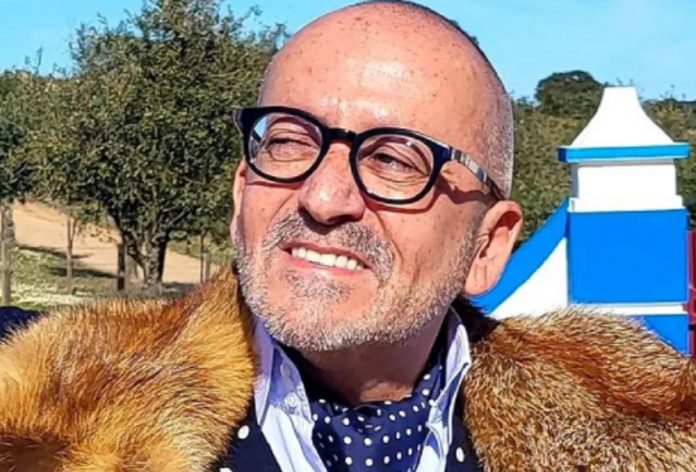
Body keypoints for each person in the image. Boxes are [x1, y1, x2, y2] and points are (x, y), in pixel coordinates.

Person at [0, 1, 694, 471]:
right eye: (289, 142)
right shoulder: (35, 407)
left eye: (395, 160)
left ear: (488, 246)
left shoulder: (653, 432)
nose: (322, 197)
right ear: (242, 193)